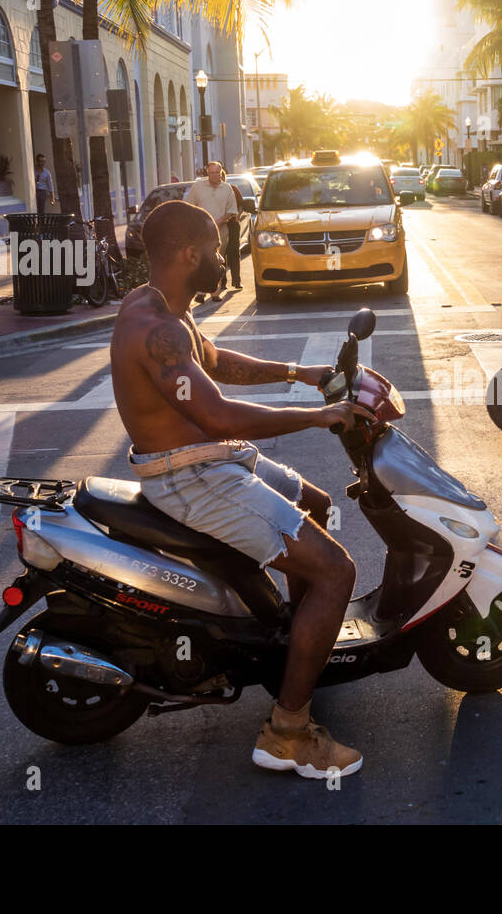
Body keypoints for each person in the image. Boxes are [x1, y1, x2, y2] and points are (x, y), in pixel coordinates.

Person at [110, 199, 375, 778]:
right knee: (337, 571)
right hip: (191, 477)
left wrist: (295, 373)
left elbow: (212, 362)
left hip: (207, 461)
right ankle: (288, 733)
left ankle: (293, 656)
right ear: (190, 253)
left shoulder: (162, 310)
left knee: (318, 503)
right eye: (218, 247)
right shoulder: (152, 328)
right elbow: (221, 417)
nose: (227, 255)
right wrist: (317, 415)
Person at [183, 161, 241, 304]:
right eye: (211, 173)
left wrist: (219, 221)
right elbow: (189, 205)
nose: (214, 175)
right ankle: (201, 292)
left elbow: (232, 211)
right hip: (201, 231)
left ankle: (215, 292)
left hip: (220, 230)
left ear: (221, 173)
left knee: (217, 260)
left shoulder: (227, 188)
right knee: (202, 260)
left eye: (217, 172)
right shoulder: (198, 187)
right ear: (207, 173)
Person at [219, 166, 244, 293]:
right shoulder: (213, 192)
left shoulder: (233, 189)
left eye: (222, 178)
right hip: (220, 225)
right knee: (221, 254)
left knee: (234, 251)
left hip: (233, 225)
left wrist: (237, 216)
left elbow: (241, 206)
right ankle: (222, 282)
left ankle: (237, 280)